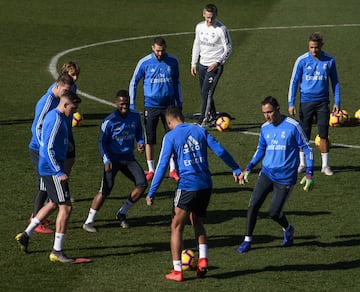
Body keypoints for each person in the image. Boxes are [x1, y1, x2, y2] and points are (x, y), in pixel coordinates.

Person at [146, 106, 243, 282]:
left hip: (188, 186)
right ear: (181, 116)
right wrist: (235, 168)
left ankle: (177, 271)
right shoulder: (199, 130)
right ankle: (203, 259)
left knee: (176, 226)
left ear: (169, 122)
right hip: (206, 185)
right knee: (196, 220)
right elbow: (220, 149)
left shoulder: (170, 137)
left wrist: (152, 192)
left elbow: (161, 167)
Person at [237, 96, 314, 254]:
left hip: (285, 178)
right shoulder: (265, 128)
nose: (267, 116)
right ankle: (247, 240)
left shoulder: (293, 126)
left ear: (278, 109)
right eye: (264, 113)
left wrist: (309, 173)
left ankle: (288, 229)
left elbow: (307, 148)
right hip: (266, 174)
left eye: (270, 112)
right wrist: (249, 167)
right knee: (253, 205)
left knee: (273, 213)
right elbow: (261, 149)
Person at [16, 90, 82, 263]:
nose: (73, 113)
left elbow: (52, 143)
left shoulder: (55, 116)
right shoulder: (56, 120)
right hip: (53, 170)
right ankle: (56, 251)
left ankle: (26, 234)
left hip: (48, 168)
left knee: (53, 203)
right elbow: (47, 149)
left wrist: (65, 145)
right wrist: (59, 171)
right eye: (72, 109)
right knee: (66, 207)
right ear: (65, 104)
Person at [82, 90, 148, 232]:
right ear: (116, 103)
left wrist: (140, 142)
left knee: (142, 183)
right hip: (113, 159)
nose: (124, 106)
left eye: (127, 103)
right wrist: (106, 160)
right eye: (122, 104)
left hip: (128, 158)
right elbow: (101, 142)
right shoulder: (109, 121)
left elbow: (138, 131)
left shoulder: (135, 116)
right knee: (106, 189)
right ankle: (89, 221)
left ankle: (122, 213)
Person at [129, 36, 183, 182]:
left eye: (162, 50)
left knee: (172, 137)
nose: (160, 53)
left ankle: (173, 169)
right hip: (151, 105)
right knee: (150, 138)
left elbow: (177, 82)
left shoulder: (173, 61)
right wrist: (132, 104)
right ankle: (151, 169)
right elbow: (134, 81)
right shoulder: (144, 62)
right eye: (158, 51)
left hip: (169, 106)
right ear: (153, 48)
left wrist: (180, 101)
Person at [288, 32, 341, 176]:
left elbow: (335, 82)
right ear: (308, 46)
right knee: (304, 135)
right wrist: (291, 102)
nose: (314, 51)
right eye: (311, 47)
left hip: (323, 102)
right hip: (306, 102)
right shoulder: (302, 60)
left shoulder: (329, 60)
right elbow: (294, 82)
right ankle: (303, 164)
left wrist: (337, 101)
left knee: (323, 133)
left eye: (316, 48)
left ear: (321, 46)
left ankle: (325, 165)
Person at [28, 73, 74, 234]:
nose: (67, 93)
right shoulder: (47, 101)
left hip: (45, 148)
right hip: (38, 149)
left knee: (46, 186)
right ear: (57, 86)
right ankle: (35, 219)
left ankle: (39, 217)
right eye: (65, 90)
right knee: (43, 185)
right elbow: (36, 127)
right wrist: (44, 147)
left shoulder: (58, 100)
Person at [191, 3, 232, 127]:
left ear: (216, 16)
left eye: (212, 18)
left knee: (206, 93)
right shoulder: (199, 27)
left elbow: (229, 48)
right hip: (202, 65)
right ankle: (213, 116)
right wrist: (193, 63)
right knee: (204, 93)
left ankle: (203, 120)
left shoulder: (221, 29)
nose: (210, 20)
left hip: (214, 66)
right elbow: (196, 44)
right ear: (203, 14)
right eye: (207, 17)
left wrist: (218, 62)